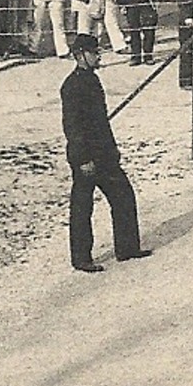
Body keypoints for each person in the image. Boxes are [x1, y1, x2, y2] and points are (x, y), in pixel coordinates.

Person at [61, 34, 149, 273]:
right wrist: (82, 160)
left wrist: (112, 149)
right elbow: (73, 127)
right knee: (82, 207)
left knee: (123, 196)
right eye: (93, 52)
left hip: (104, 154)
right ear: (80, 55)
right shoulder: (72, 86)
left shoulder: (92, 80)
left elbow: (100, 122)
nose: (98, 56)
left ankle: (128, 248)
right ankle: (81, 258)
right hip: (86, 157)